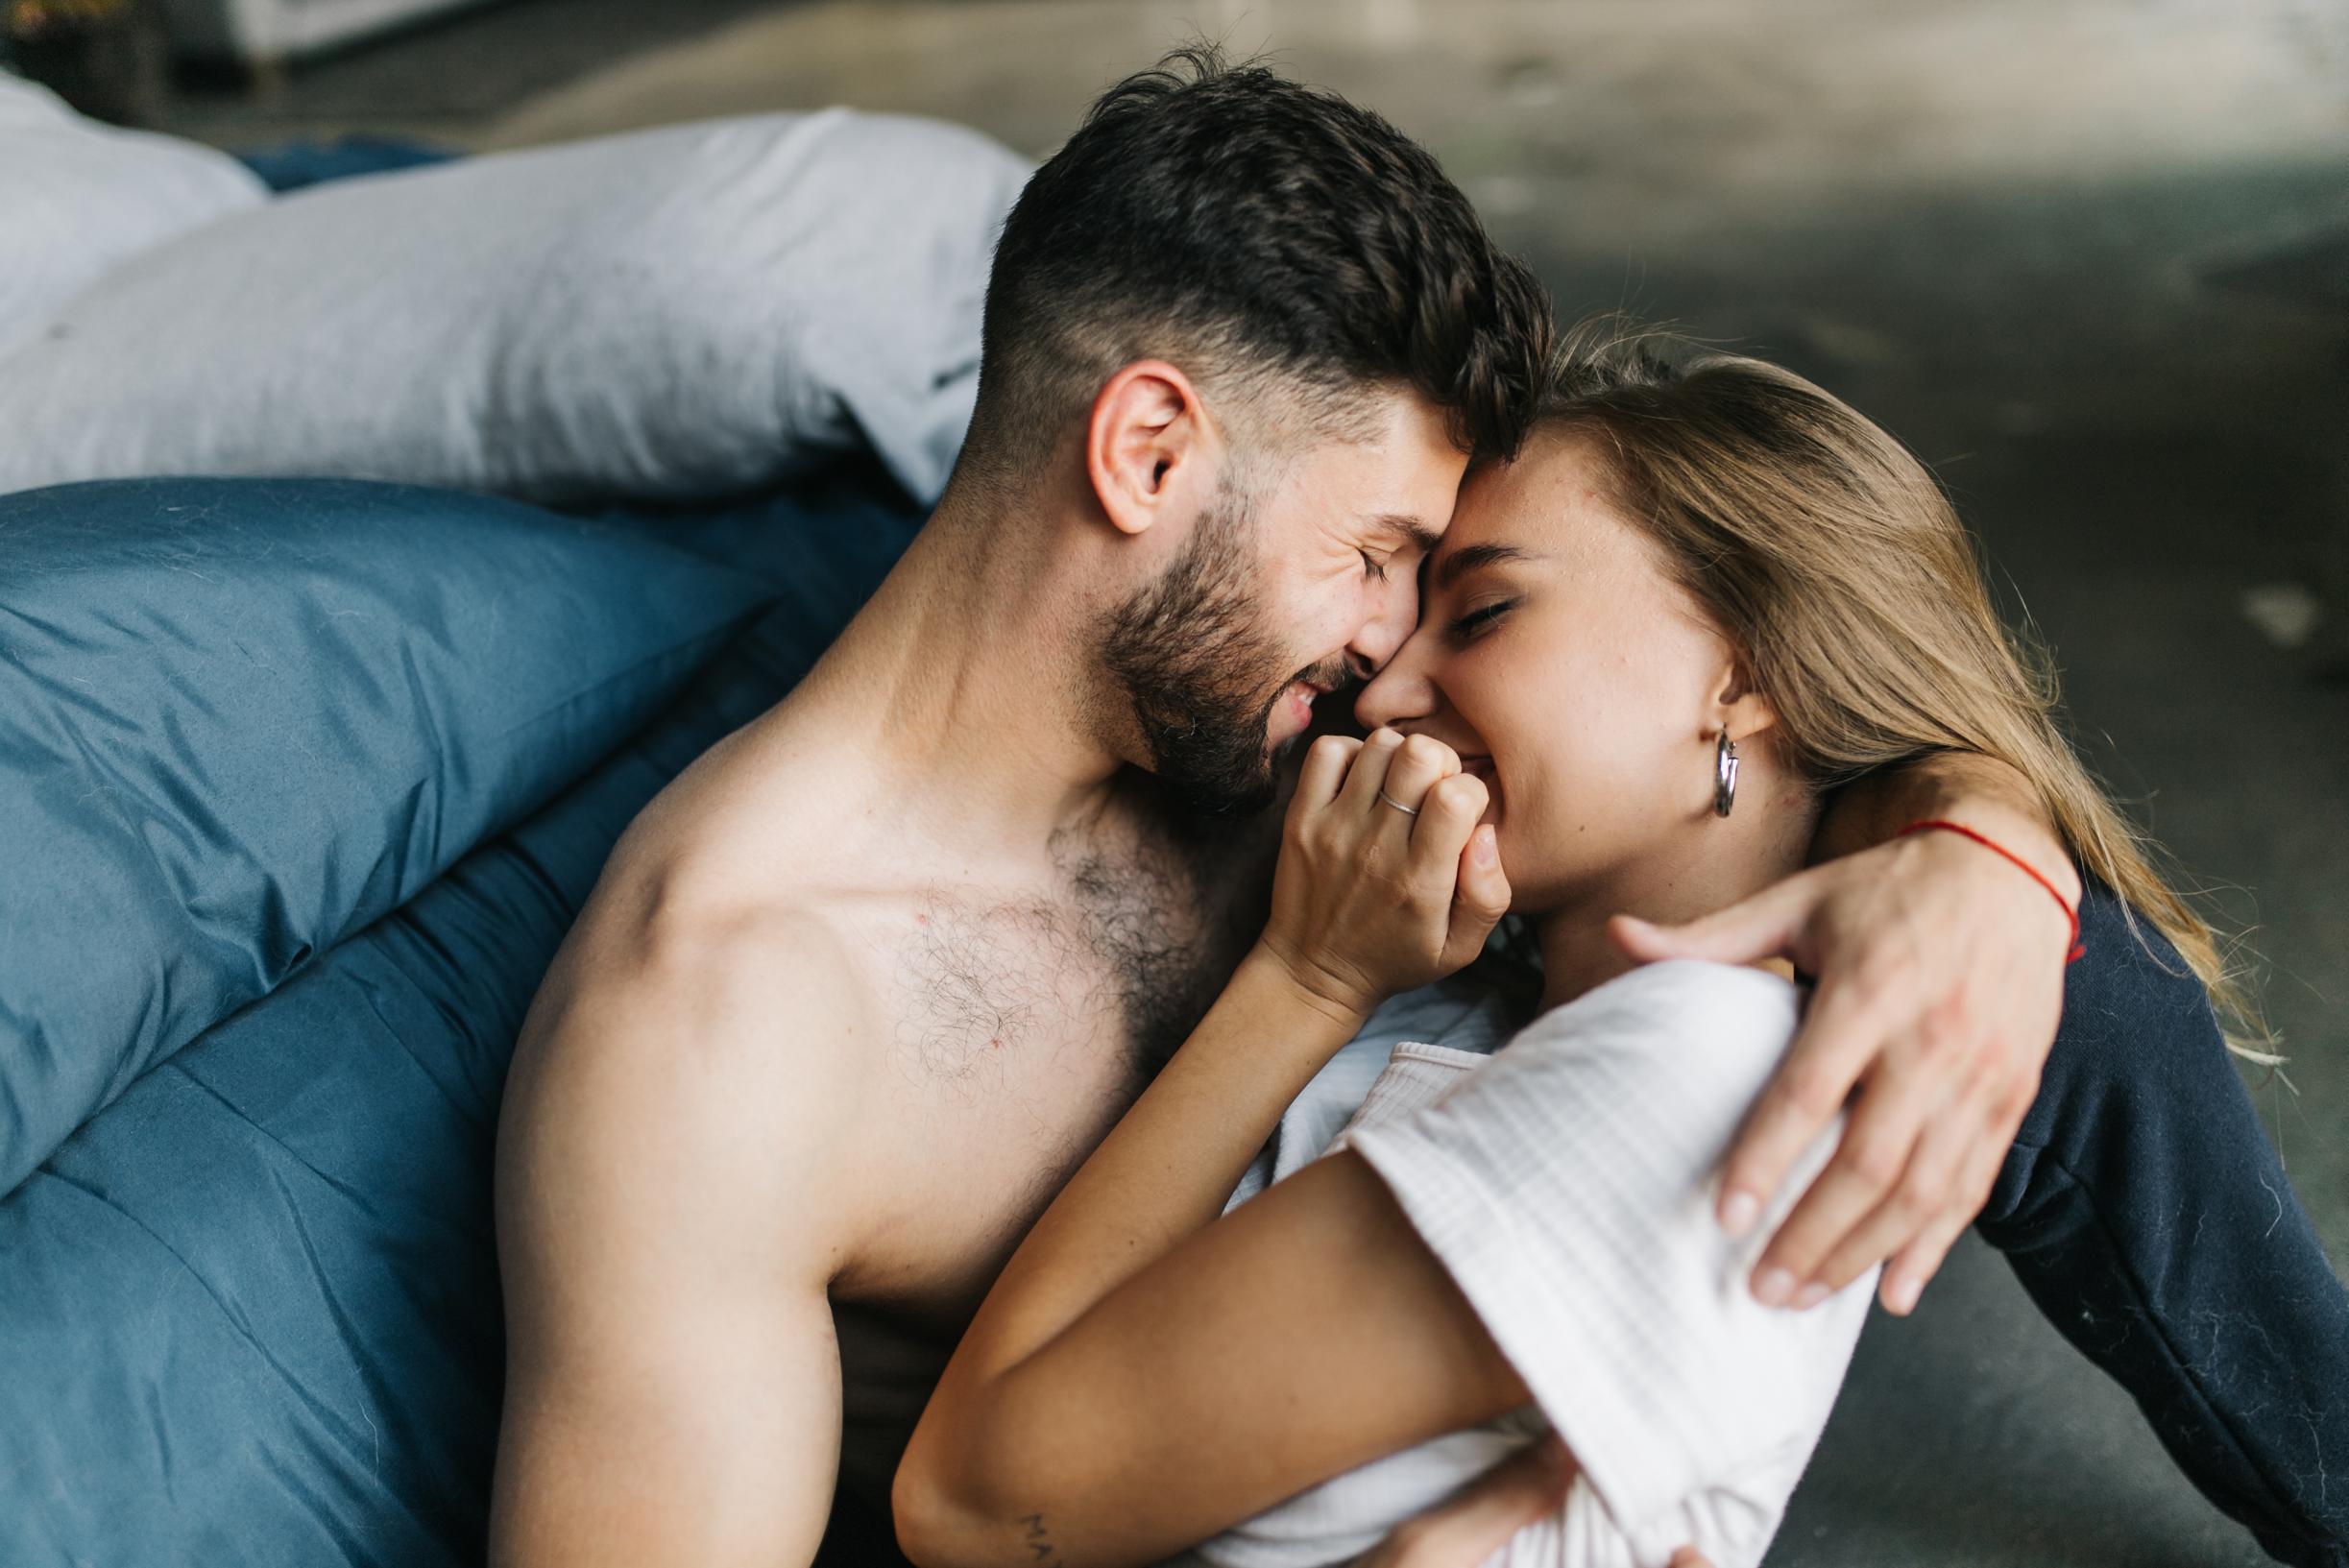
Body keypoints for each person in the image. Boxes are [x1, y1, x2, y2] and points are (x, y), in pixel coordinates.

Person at [484, 53, 2160, 1567]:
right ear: (1147, 451)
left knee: (2077, 995)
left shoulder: (1279, 726)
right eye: (1371, 561)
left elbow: (1801, 682)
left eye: (1438, 586)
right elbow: (975, 1508)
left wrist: (1986, 845)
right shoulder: (717, 1030)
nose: (1388, 660)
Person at [892, 337, 2349, 1568]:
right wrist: (1984, 830)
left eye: (1483, 610)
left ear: (1745, 671)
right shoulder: (1495, 971)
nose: (1380, 682)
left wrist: (1305, 977)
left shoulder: (1680, 1070)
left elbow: (966, 1501)